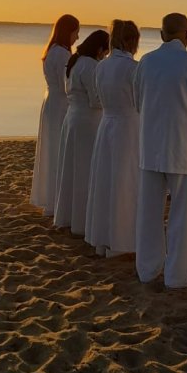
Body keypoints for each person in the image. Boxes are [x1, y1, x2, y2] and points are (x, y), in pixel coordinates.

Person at [134, 13, 187, 289]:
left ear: (161, 35)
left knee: (148, 213)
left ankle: (147, 269)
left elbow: (138, 100)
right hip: (183, 148)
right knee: (183, 215)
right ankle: (177, 276)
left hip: (151, 146)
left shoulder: (146, 62)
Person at [85, 19, 141, 257]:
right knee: (126, 182)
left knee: (107, 180)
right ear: (131, 41)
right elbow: (141, 100)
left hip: (107, 125)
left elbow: (99, 97)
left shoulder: (101, 67)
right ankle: (122, 238)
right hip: (128, 127)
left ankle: (104, 236)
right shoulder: (134, 68)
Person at [54, 29, 110, 234]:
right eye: (106, 51)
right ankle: (82, 218)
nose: (106, 55)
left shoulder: (75, 61)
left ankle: (69, 215)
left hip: (72, 118)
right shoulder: (91, 66)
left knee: (72, 168)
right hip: (88, 122)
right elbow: (95, 100)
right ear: (99, 48)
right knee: (85, 169)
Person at [30, 14, 80, 217]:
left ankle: (51, 197)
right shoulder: (62, 55)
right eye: (76, 32)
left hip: (51, 103)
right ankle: (56, 199)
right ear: (68, 32)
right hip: (60, 105)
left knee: (52, 149)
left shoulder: (51, 51)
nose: (77, 37)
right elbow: (65, 85)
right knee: (59, 151)